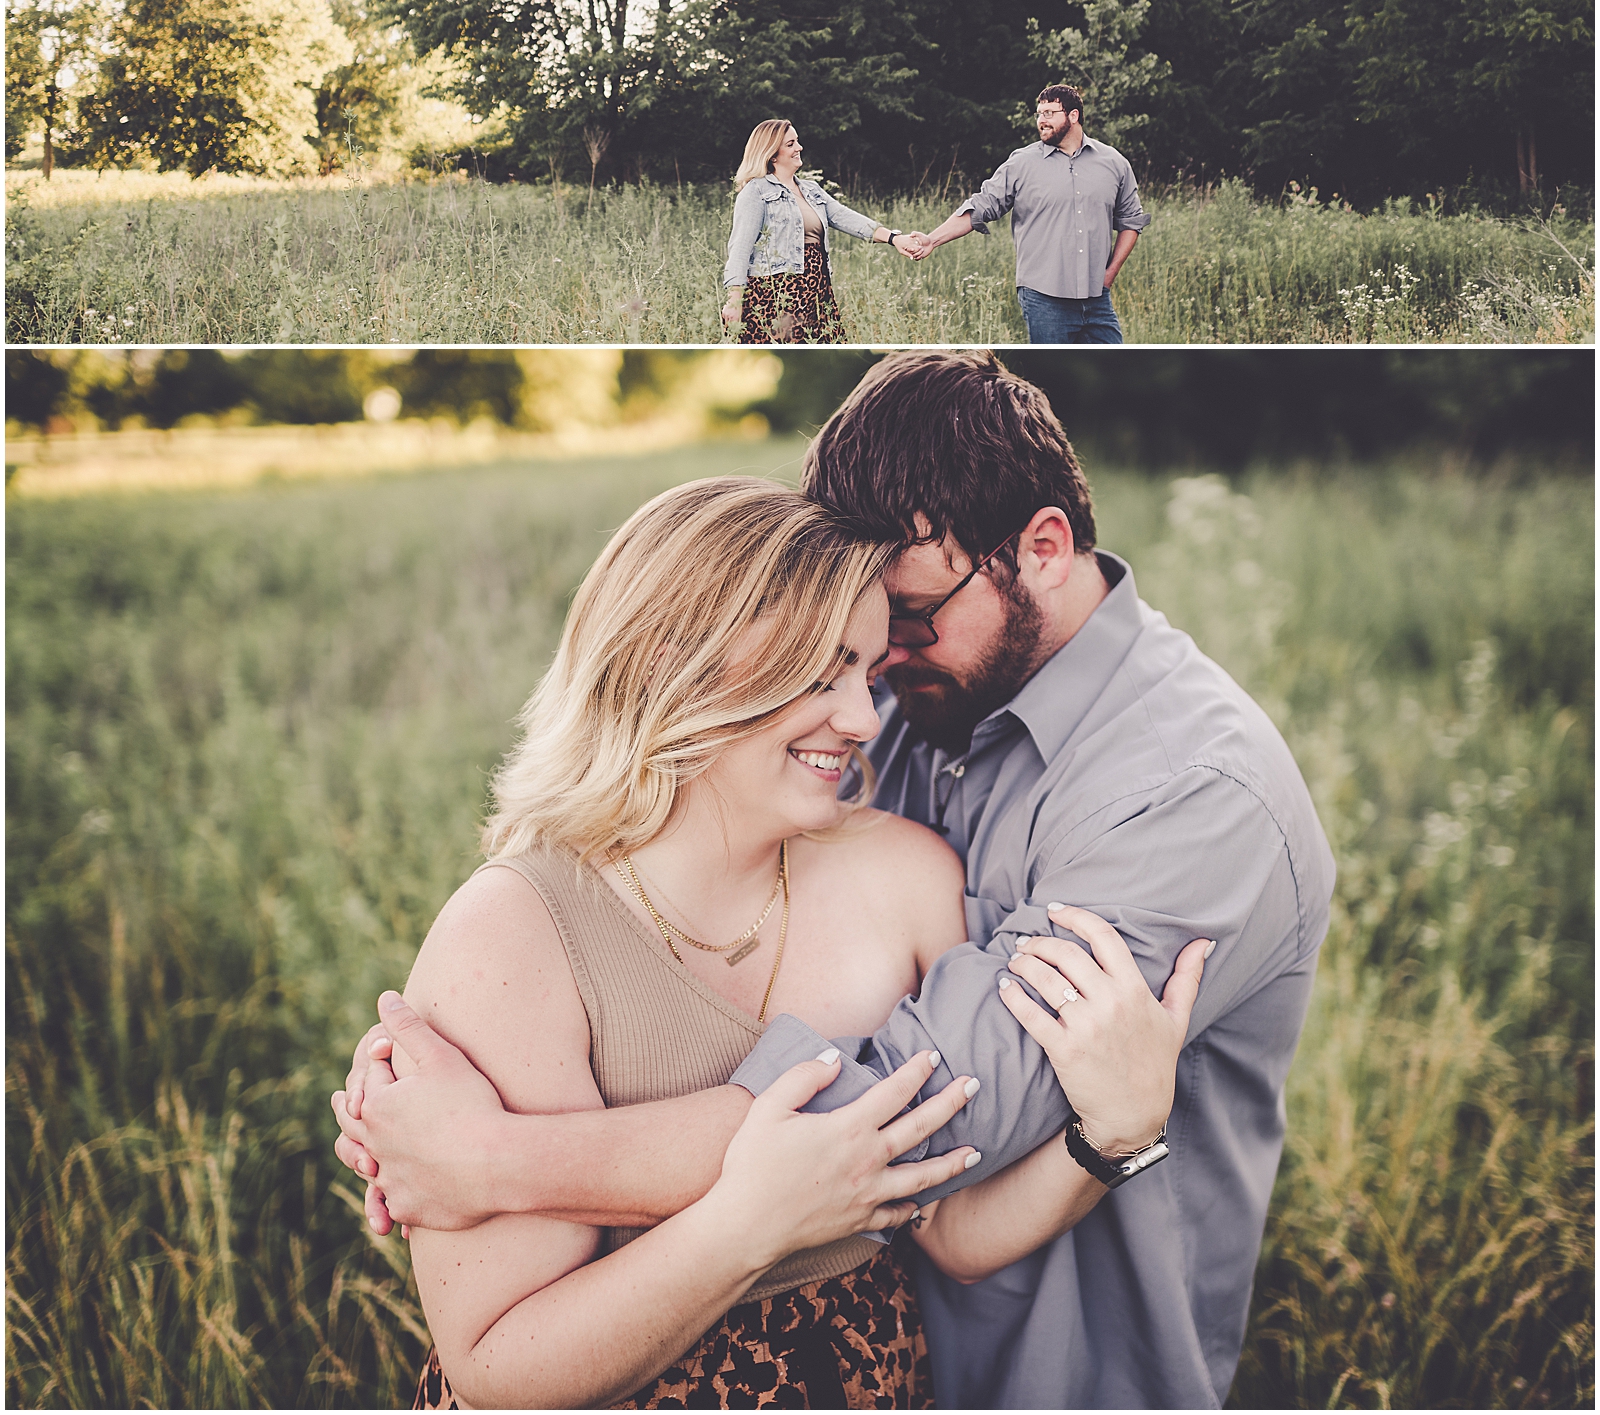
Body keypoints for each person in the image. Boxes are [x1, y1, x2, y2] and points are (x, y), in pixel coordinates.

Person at [336, 351, 1335, 1410]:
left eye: (898, 628)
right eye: (836, 655)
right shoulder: (903, 698)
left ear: (1042, 548)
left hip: (1058, 1370)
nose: (868, 704)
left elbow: (918, 1134)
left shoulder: (1189, 797)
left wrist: (490, 1156)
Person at [900, 84, 1150, 343]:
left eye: (1050, 113)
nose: (1042, 121)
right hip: (1045, 299)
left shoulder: (1114, 163)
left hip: (1098, 299)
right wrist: (933, 239)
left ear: (1073, 116)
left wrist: (1110, 274)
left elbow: (1131, 221)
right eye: (1039, 114)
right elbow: (981, 205)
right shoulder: (1022, 163)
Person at [721, 117, 917, 341]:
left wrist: (893, 238)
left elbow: (846, 218)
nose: (799, 148)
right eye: (790, 144)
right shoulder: (756, 191)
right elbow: (740, 249)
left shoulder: (810, 189)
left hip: (817, 288)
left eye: (797, 141)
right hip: (777, 292)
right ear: (772, 153)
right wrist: (734, 301)